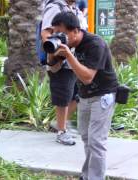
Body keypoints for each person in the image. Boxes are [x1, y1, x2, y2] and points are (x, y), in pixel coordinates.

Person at [51, 11, 119, 180]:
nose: (59, 37)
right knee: (87, 138)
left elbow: (87, 77)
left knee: (97, 142)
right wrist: (52, 54)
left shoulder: (96, 44)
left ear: (75, 30)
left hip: (103, 95)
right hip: (85, 96)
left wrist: (68, 55)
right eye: (56, 33)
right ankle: (88, 174)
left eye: (63, 33)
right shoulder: (68, 44)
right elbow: (54, 69)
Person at [41, 0, 86, 145]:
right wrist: (55, 54)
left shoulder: (74, 8)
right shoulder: (55, 7)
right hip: (61, 62)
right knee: (63, 96)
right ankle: (61, 131)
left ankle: (61, 122)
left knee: (77, 95)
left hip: (75, 61)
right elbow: (46, 33)